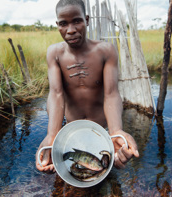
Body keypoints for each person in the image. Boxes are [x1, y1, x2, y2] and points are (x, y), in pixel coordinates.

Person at [36, 0, 139, 173]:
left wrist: (115, 131)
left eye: (77, 21)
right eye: (63, 23)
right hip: (71, 131)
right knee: (72, 174)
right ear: (57, 26)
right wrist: (52, 135)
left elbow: (112, 94)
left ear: (87, 20)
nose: (71, 30)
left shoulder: (106, 51)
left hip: (102, 130)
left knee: (104, 173)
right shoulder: (54, 53)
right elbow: (56, 94)